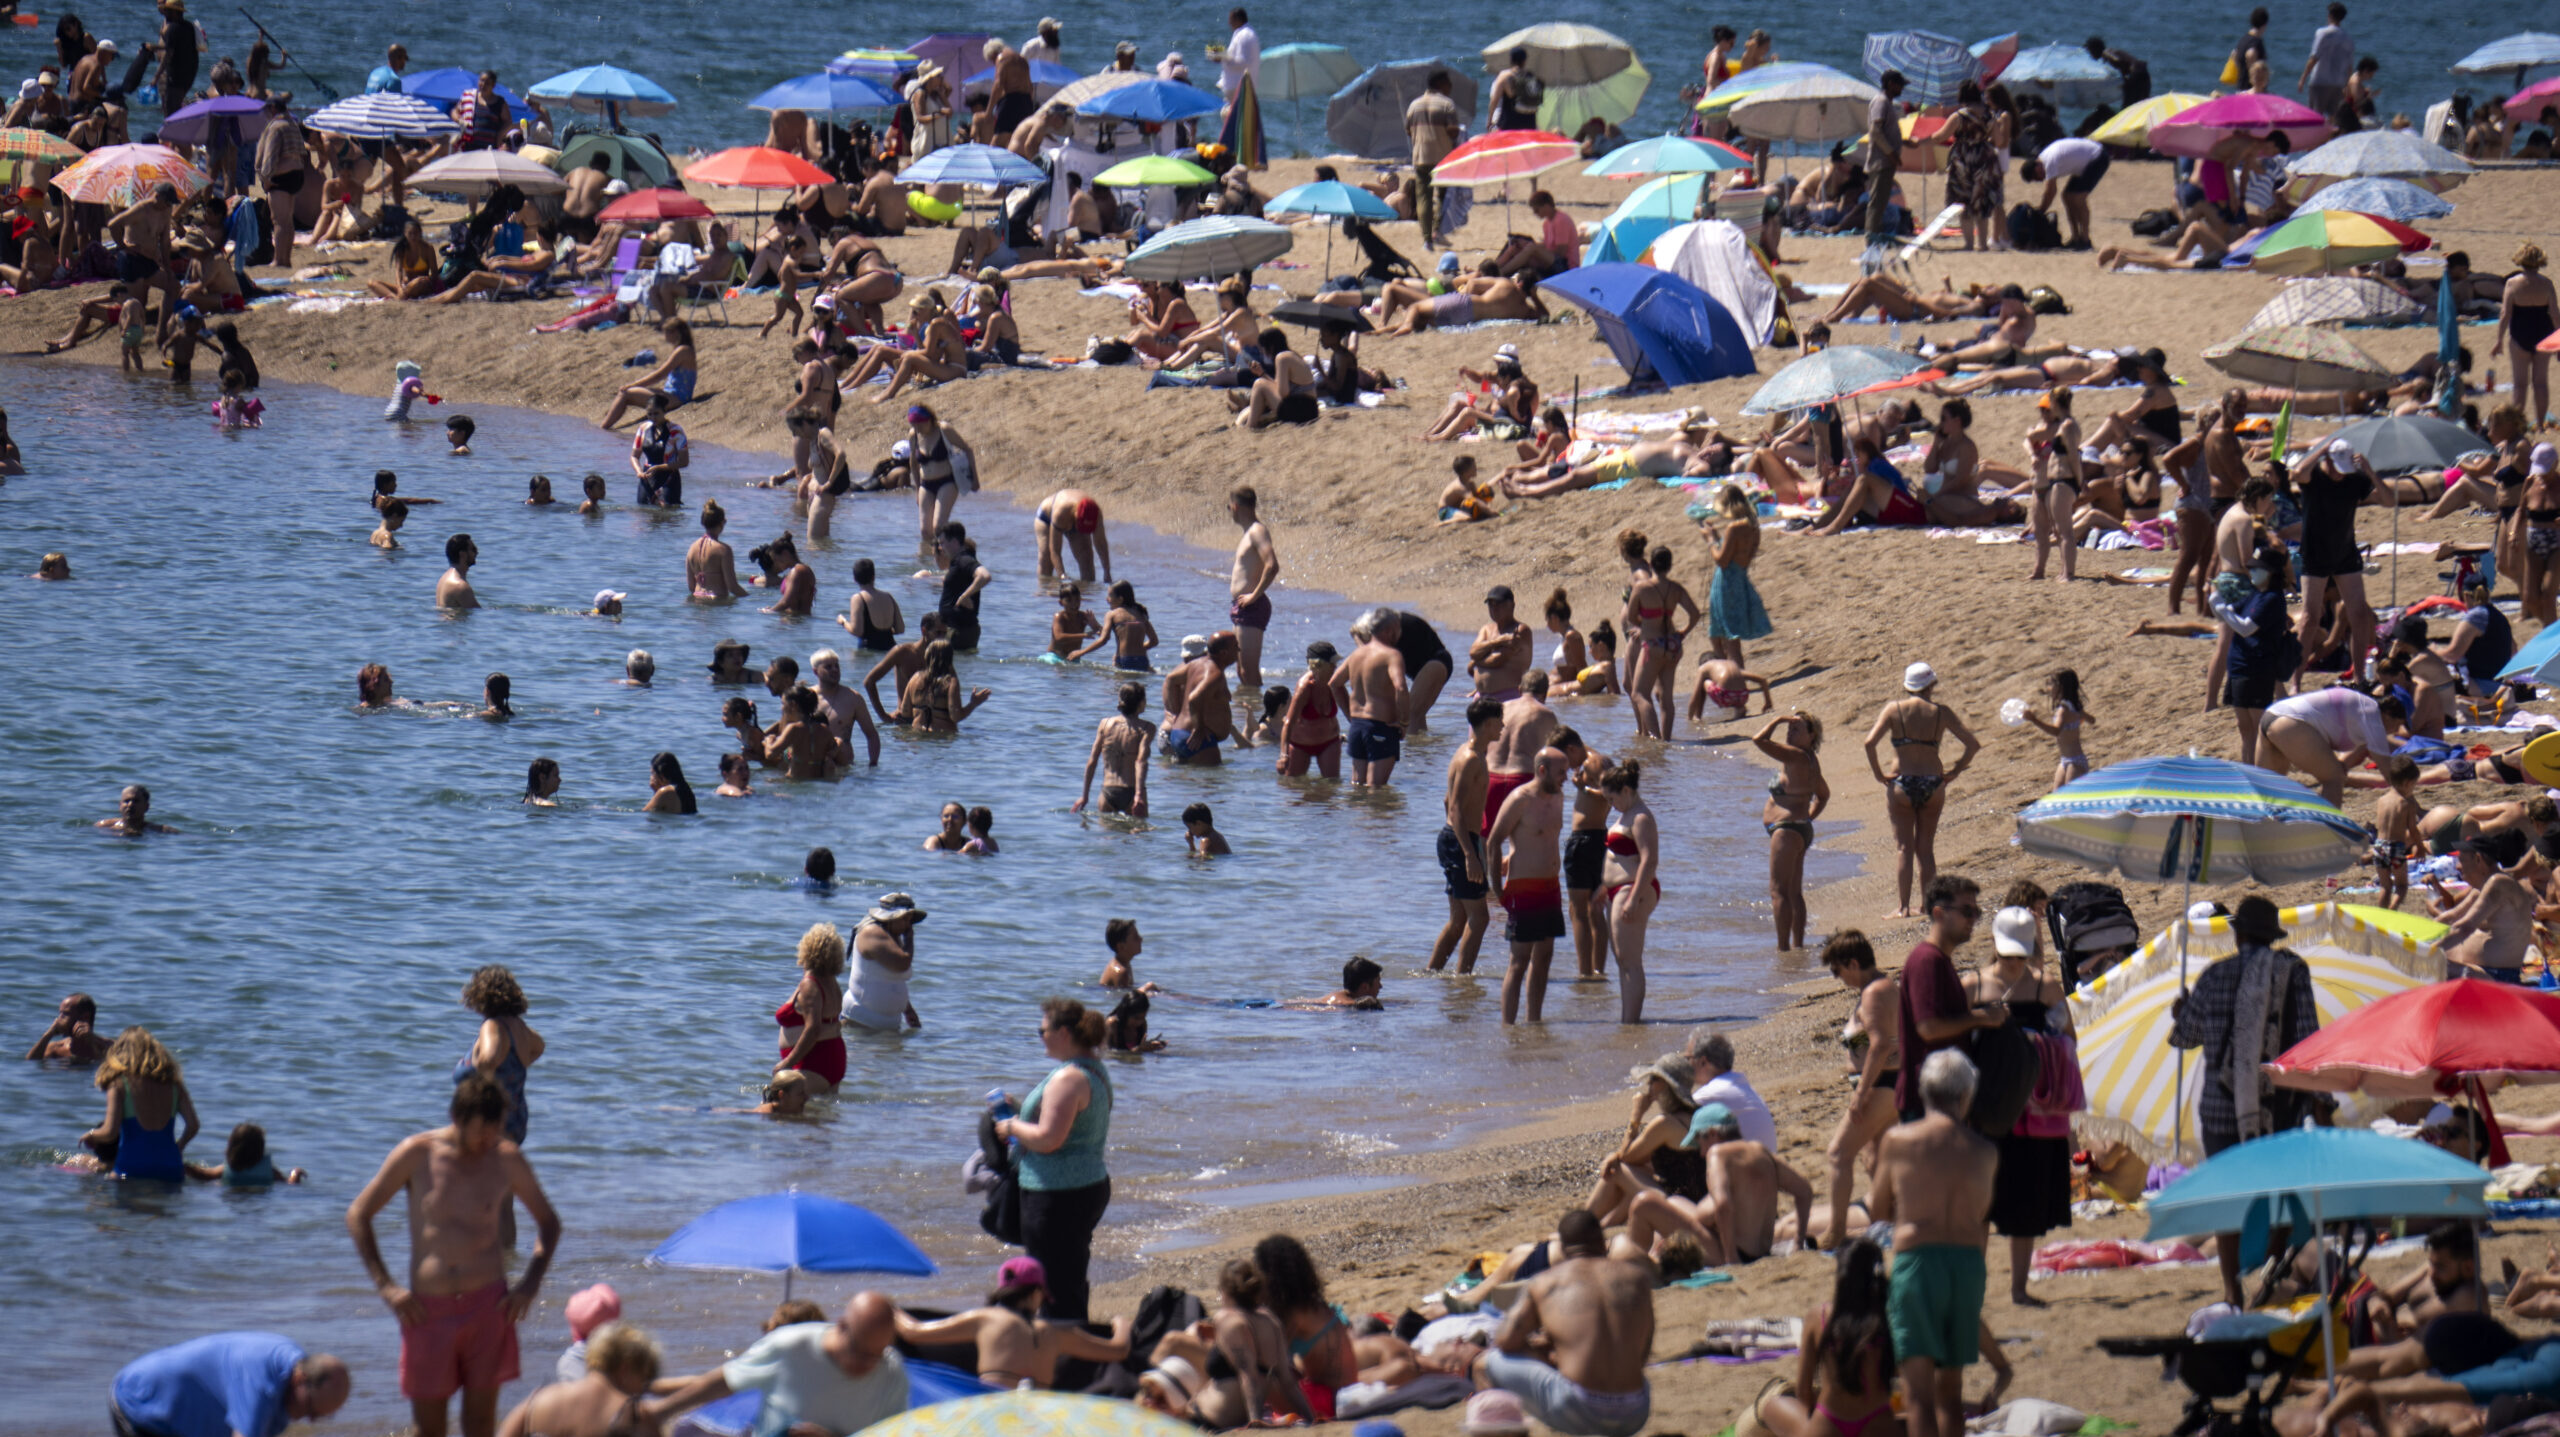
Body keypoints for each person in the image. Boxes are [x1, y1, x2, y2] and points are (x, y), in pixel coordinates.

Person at [347, 1073, 562, 1437]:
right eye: (480, 1133)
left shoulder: (505, 1158)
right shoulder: (416, 1154)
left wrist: (530, 1284)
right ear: (457, 1118)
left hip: (488, 1308)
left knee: (479, 1425)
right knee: (429, 1428)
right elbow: (359, 1215)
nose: (485, 1143)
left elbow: (549, 1223)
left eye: (492, 1133)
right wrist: (386, 1286)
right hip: (428, 1311)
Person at [2168, 895, 2323, 1305]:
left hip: (2221, 1108)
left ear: (2237, 933)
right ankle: (2271, 1270)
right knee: (2282, 1193)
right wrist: (2321, 1099)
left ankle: (2231, 1287)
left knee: (2228, 1201)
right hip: (2278, 1107)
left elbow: (2184, 1038)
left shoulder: (2214, 976)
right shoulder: (2292, 972)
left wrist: (2181, 1011)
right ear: (2271, 936)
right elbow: (2307, 1038)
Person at [1872, 1050, 1999, 1437]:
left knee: (1918, 1396)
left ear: (1925, 1094)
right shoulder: (1985, 1151)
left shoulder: (1898, 1140)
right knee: (1950, 1392)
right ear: (1965, 1097)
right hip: (1965, 1265)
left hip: (1918, 1262)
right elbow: (1981, 1216)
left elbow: (1878, 1208)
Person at [1470, 1209, 1653, 1437]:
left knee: (1484, 1365)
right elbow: (1642, 1352)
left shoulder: (1546, 1282)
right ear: (1602, 1243)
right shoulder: (1636, 1279)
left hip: (1579, 1408)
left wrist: (1547, 1346)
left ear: (1564, 1249)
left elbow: (1505, 1341)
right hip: (1636, 1410)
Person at [1969, 909, 2074, 1307]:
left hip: (2033, 1113)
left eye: (2019, 954)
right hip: (1988, 1108)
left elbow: (2070, 1041)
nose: (2013, 962)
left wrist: (2039, 1045)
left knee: (2025, 1204)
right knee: (1981, 1203)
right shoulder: (1974, 985)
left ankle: (2018, 1289)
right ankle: (1976, 1290)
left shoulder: (2046, 987)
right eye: (2007, 953)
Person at [994, 998, 1113, 1320]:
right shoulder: (1093, 1070)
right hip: (1085, 1186)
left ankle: (1061, 1352)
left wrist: (1011, 1125)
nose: (1040, 1036)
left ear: (1062, 1032)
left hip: (1058, 1193)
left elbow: (1049, 1139)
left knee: (1053, 1283)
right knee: (1069, 1275)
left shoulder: (1068, 1077)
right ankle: (1072, 1344)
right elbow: (1067, 1126)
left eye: (1042, 1030)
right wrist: (1022, 1109)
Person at [650, 1294, 908, 1436]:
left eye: (875, 1357)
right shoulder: (790, 1345)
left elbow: (895, 1432)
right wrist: (659, 1412)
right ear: (841, 1326)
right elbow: (723, 1381)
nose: (865, 1366)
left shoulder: (891, 1372)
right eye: (859, 1353)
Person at [892, 1256, 1133, 1389]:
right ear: (1038, 1293)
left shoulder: (984, 1319)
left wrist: (891, 1310)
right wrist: (1122, 1324)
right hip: (1034, 1418)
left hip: (994, 1414)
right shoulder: (1055, 1333)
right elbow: (1118, 1350)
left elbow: (913, 1332)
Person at [1864, 664, 1980, 918]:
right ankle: (1929, 906)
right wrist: (1955, 771)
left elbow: (1869, 742)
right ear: (1931, 685)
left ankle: (1903, 907)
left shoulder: (1894, 709)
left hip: (1901, 781)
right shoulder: (1941, 712)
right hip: (1932, 781)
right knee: (1925, 849)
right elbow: (1973, 744)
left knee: (1904, 848)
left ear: (1907, 686)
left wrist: (1878, 774)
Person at [1898, 875, 2005, 1124]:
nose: (1973, 919)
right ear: (1938, 913)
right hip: (1925, 1099)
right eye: (1966, 911)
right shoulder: (1927, 960)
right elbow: (1928, 1027)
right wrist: (1981, 1018)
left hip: (1943, 1096)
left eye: (1976, 912)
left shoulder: (1939, 960)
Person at [1819, 933, 1900, 1252]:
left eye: (1837, 971)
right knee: (1875, 1161)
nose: (1837, 979)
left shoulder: (1875, 994)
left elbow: (1880, 1044)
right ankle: (1888, 1224)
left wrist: (1860, 1093)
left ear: (1853, 963)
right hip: (1886, 1083)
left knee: (1839, 1153)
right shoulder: (1881, 988)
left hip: (1881, 1087)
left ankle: (1836, 1231)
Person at [110, 1335, 350, 1437]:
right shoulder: (261, 1383)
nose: (308, 1420)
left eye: (319, 1417)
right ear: (300, 1380)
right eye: (311, 1410)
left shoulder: (292, 1367)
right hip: (140, 1402)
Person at [1488, 748, 1569, 1026]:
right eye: (1561, 772)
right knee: (1519, 961)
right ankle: (1508, 1027)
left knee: (1544, 957)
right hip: (1523, 888)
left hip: (1550, 887)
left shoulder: (1558, 796)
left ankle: (1534, 1021)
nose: (1566, 778)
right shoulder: (1520, 799)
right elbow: (1494, 840)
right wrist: (1497, 888)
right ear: (1542, 770)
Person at [1433, 698, 1503, 974]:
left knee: (1459, 919)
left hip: (1457, 839)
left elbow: (1445, 801)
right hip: (1460, 842)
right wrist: (1469, 854)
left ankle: (1433, 973)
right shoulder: (1470, 759)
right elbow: (1456, 809)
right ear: (1487, 725)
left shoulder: (1474, 754)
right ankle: (1464, 979)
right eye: (1499, 721)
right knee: (1480, 917)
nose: (1503, 726)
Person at [498, 1322, 657, 1437]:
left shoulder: (535, 1402)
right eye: (645, 1377)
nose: (644, 1387)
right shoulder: (635, 1415)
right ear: (626, 1368)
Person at [1753, 711, 1828, 952]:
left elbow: (1759, 740)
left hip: (1786, 830)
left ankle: (1783, 948)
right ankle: (1798, 946)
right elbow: (1824, 795)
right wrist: (1807, 818)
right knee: (1794, 892)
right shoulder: (1810, 760)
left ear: (1811, 735)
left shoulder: (1796, 756)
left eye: (1796, 729)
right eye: (1789, 728)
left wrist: (1777, 720)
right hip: (1798, 829)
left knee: (1779, 892)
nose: (1789, 732)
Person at [83, 1026, 200, 1181]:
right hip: (171, 1168)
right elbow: (193, 1125)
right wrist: (180, 1146)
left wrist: (90, 1135)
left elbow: (110, 1132)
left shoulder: (119, 1084)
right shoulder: (174, 1085)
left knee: (96, 1195)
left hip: (131, 1168)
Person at [1596, 761, 1659, 1025]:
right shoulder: (1626, 814)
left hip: (1633, 889)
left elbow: (1649, 860)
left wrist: (1633, 898)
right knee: (1622, 959)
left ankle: (1631, 1022)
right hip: (1617, 890)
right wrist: (1603, 888)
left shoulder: (1641, 817)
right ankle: (1627, 1019)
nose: (1611, 805)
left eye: (1612, 798)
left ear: (1625, 790)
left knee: (1630, 961)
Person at [454, 965, 541, 1151]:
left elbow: (488, 1059)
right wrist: (517, 1067)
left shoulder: (492, 1026)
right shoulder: (520, 1027)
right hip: (516, 1120)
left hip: (490, 1123)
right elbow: (539, 1046)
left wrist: (481, 1093)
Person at [775, 923, 847, 1096]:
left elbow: (813, 1029)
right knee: (819, 1117)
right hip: (832, 1058)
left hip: (813, 1061)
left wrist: (786, 1063)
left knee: (775, 1104)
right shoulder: (832, 983)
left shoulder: (810, 985)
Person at [1703, 487, 1772, 665]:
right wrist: (1718, 539)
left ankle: (1734, 680)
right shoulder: (1753, 525)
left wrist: (1710, 541)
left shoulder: (1734, 527)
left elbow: (1722, 560)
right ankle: (1729, 677)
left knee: (1729, 638)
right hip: (1740, 578)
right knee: (1726, 635)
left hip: (1727, 582)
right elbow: (1737, 554)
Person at [1073, 681, 1156, 817]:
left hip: (1108, 791)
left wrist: (1084, 796)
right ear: (1141, 703)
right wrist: (1139, 795)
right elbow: (1141, 761)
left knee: (1106, 836)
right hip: (1132, 790)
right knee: (1139, 835)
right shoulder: (1147, 728)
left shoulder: (1105, 724)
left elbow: (1092, 761)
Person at [2498, 243, 2557, 428]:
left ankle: (2518, 425)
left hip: (2519, 335)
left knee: (2520, 385)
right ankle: (2540, 424)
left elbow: (2505, 314)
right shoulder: (2546, 283)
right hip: (2544, 335)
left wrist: (2499, 340)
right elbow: (2555, 314)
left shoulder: (2513, 283)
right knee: (2540, 383)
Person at [1227, 487, 1279, 694]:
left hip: (1252, 606)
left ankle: (1262, 719)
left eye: (1228, 507)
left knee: (1249, 672)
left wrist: (1253, 596)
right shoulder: (1248, 533)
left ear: (1235, 506)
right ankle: (1247, 715)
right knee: (1241, 671)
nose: (1229, 511)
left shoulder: (1257, 531)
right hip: (1242, 607)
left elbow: (1272, 565)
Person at [848, 893, 925, 1031]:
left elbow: (889, 979)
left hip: (885, 1025)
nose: (908, 926)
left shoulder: (892, 936)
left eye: (910, 920)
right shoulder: (873, 932)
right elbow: (902, 964)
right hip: (862, 1021)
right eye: (904, 919)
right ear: (890, 917)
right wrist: (910, 939)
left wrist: (907, 1009)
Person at [2016, 136, 2109, 250]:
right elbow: (2050, 191)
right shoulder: (2044, 160)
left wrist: (2041, 211)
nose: (2039, 180)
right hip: (2084, 163)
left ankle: (2085, 239)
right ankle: (2075, 237)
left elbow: (2050, 192)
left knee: (2078, 198)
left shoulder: (2049, 161)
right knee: (2066, 196)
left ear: (2037, 166)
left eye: (2036, 177)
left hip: (2098, 157)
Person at [1405, 70, 1461, 245]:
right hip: (1442, 158)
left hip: (1420, 156)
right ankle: (1437, 231)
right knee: (1444, 196)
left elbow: (1408, 130)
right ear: (1440, 84)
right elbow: (1452, 131)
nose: (1451, 86)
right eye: (1448, 83)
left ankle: (1427, 238)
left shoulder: (1414, 105)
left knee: (1424, 197)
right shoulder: (1447, 105)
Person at [1034, 489, 1111, 584]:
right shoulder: (1061, 513)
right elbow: (1054, 550)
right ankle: (1043, 591)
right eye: (1082, 525)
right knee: (1046, 557)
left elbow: (1101, 544)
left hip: (1074, 520)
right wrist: (1061, 574)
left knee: (1086, 558)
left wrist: (1107, 572)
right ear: (1076, 514)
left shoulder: (1097, 514)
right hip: (1046, 518)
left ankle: (1087, 593)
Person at [933, 519, 989, 651]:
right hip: (959, 628)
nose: (940, 548)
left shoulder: (963, 560)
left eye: (942, 543)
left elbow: (985, 576)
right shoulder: (958, 561)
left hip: (959, 630)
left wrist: (965, 596)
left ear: (954, 542)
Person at [1864, 71, 1906, 246]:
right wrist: (1891, 154)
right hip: (1880, 161)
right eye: (1899, 84)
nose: (1901, 88)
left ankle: (1876, 236)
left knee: (1881, 203)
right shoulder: (1881, 102)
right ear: (1890, 84)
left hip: (1885, 161)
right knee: (1877, 202)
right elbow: (1876, 132)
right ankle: (1871, 240)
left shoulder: (1886, 103)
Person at [2298, 2, 2354, 123]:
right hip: (2338, 84)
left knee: (2315, 118)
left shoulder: (2322, 33)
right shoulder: (2348, 39)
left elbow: (2314, 57)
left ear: (2329, 16)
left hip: (2320, 82)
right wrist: (2347, 87)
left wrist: (2303, 77)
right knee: (2333, 120)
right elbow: (2350, 67)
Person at [27, 992, 108, 1063]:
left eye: (65, 1014)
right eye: (60, 1014)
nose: (58, 1019)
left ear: (85, 1017)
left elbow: (108, 1068)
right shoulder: (56, 1048)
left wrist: (92, 1043)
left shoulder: (109, 1047)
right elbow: (31, 1062)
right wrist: (48, 1034)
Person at [437, 533, 480, 610]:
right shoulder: (460, 586)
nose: (477, 553)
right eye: (473, 549)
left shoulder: (444, 578)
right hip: (456, 622)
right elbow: (478, 612)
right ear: (463, 554)